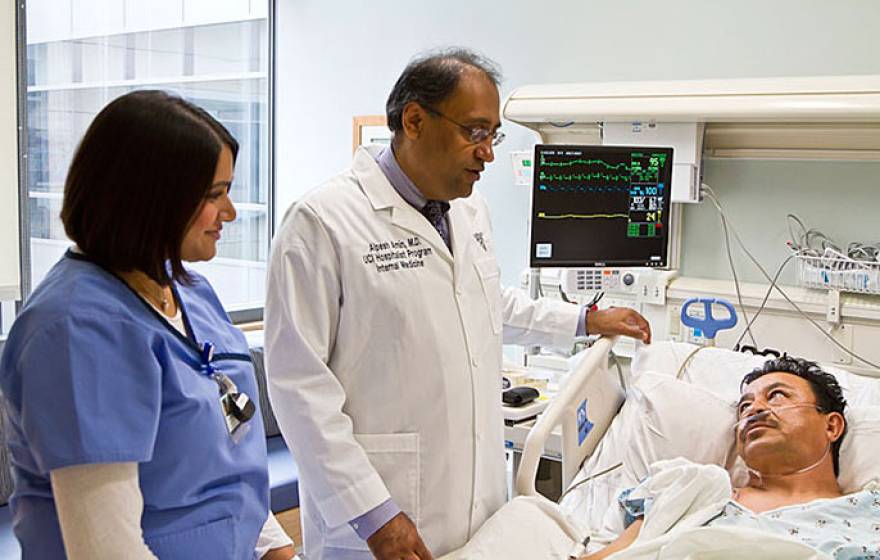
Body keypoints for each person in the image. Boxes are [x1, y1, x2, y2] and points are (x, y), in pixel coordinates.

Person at [265, 47, 651, 560]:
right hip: (381, 515)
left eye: (494, 134)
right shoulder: (322, 223)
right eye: (474, 131)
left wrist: (585, 318)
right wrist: (374, 514)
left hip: (480, 506)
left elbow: (488, 303)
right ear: (415, 120)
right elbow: (299, 389)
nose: (488, 152)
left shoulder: (470, 213)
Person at [0, 91, 295, 559]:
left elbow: (233, 466)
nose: (231, 213)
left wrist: (279, 552)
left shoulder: (190, 293)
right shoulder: (76, 330)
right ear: (152, 199)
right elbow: (107, 549)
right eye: (215, 195)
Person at [583, 356, 880, 559]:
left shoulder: (869, 513)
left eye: (777, 395)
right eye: (744, 406)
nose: (754, 409)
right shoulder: (690, 490)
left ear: (831, 425)